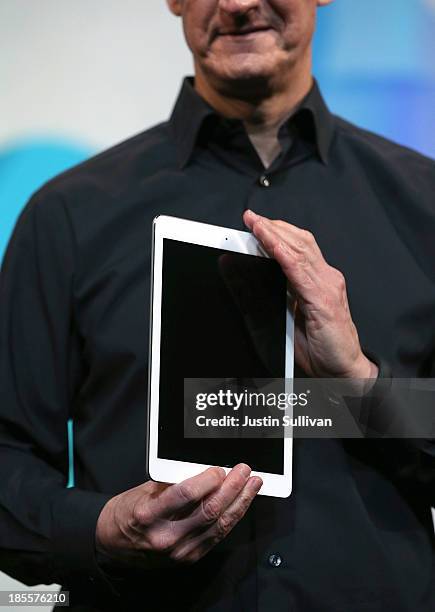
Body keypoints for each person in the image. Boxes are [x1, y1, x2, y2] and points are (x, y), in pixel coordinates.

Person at [1, 0, 434, 610]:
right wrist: (101, 528)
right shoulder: (68, 215)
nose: (235, 4)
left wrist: (358, 384)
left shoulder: (425, 208)